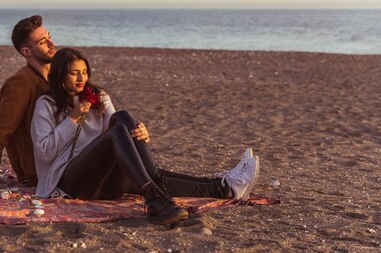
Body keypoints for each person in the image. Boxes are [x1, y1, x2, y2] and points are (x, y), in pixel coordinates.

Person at [31, 47, 260, 226]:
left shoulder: (98, 96)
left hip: (106, 181)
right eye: (74, 73)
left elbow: (115, 126)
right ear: (61, 74)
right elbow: (45, 152)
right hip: (69, 182)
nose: (82, 78)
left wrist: (139, 135)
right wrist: (71, 119)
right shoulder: (47, 104)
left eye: (84, 71)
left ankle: (223, 187)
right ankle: (172, 194)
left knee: (123, 119)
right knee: (121, 134)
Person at [0, 15, 56, 191]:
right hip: (40, 170)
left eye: (50, 37)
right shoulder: (20, 84)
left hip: (62, 156)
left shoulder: (57, 77)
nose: (52, 44)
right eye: (42, 42)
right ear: (26, 52)